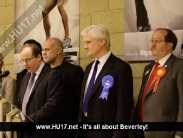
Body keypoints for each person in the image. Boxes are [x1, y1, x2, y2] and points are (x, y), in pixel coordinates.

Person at [78, 24, 133, 138]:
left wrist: (118, 134)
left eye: (88, 42)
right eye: (84, 43)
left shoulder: (120, 67)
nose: (85, 47)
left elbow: (124, 107)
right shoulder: (89, 67)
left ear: (102, 42)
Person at [133, 28, 183, 138]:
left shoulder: (180, 66)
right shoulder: (148, 68)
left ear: (169, 45)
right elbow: (144, 98)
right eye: (152, 41)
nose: (153, 45)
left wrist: (179, 133)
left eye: (158, 41)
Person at [15, 40, 64, 138]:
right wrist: (16, 116)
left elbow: (52, 105)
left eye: (28, 59)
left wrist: (28, 120)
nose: (25, 64)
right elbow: (19, 101)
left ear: (38, 57)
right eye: (22, 60)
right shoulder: (26, 76)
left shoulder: (53, 75)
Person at [42, 37, 84, 138]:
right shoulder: (42, 73)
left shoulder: (74, 71)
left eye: (47, 49)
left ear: (59, 50)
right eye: (43, 50)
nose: (44, 53)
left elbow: (80, 102)